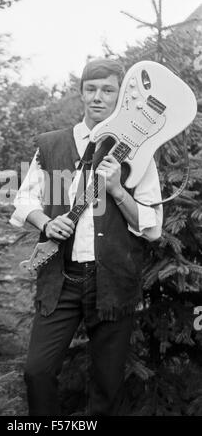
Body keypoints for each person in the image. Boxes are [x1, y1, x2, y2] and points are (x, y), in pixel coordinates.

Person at [9, 58, 163, 416]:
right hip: (61, 282)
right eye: (91, 89)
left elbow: (152, 225)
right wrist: (45, 224)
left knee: (107, 385)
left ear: (120, 97)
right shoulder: (51, 145)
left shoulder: (138, 153)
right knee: (38, 372)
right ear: (80, 93)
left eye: (108, 90)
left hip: (112, 280)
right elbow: (23, 198)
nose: (98, 98)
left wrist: (118, 191)